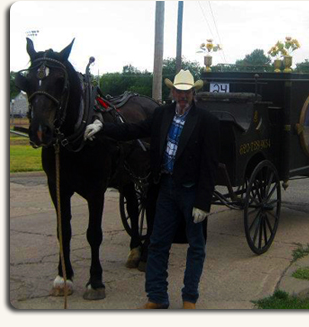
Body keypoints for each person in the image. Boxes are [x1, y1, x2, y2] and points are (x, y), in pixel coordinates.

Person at [84, 70, 220, 309]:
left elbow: (210, 165)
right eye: (178, 91)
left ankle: (189, 298)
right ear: (172, 92)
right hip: (165, 188)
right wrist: (102, 127)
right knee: (157, 244)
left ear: (193, 93)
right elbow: (133, 130)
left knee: (196, 246)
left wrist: (203, 202)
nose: (182, 96)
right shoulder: (162, 114)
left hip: (191, 191)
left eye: (187, 92)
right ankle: (157, 296)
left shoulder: (206, 121)